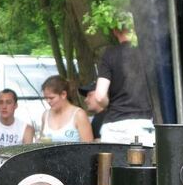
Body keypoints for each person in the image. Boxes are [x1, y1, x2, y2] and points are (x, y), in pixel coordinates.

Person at [94, 19, 155, 147]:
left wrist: (106, 103)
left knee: (111, 167)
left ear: (115, 31)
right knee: (143, 166)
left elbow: (99, 96)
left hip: (115, 126)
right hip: (143, 126)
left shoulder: (109, 54)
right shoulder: (149, 55)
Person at [40, 75, 94, 143]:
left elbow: (89, 147)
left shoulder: (79, 115)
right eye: (46, 98)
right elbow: (40, 143)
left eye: (51, 98)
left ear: (63, 94)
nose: (48, 101)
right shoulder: (45, 115)